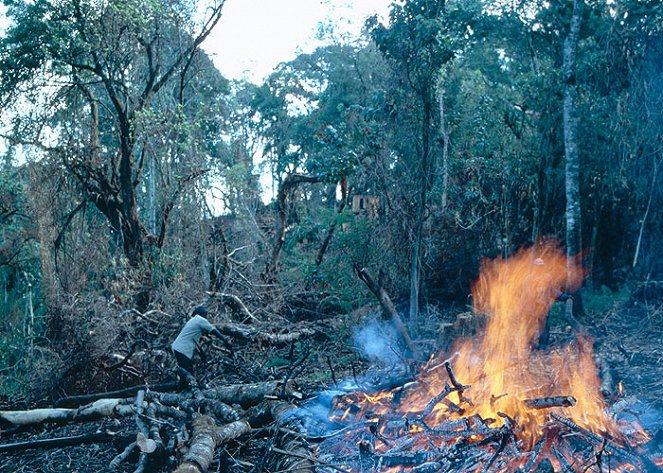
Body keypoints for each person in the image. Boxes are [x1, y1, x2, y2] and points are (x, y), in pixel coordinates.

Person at [171, 306, 224, 381]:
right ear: (202, 314)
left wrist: (201, 354)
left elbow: (193, 340)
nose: (206, 317)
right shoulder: (200, 320)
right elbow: (214, 331)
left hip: (178, 348)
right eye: (205, 315)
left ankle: (182, 389)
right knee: (188, 374)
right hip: (182, 349)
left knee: (186, 372)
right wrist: (226, 342)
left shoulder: (193, 320)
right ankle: (188, 390)